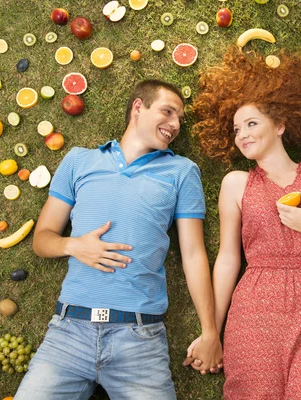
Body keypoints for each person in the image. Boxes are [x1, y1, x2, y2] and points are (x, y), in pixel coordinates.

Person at [15, 80, 222, 400]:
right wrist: (73, 245)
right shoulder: (79, 160)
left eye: (180, 119)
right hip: (68, 334)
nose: (175, 125)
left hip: (139, 339)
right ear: (138, 108)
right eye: (168, 112)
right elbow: (42, 240)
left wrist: (210, 332)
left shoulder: (182, 171)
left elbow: (193, 254)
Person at [184, 49, 301, 399]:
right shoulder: (235, 183)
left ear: (279, 125)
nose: (242, 135)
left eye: (251, 124)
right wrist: (211, 332)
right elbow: (229, 260)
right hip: (254, 309)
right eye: (236, 129)